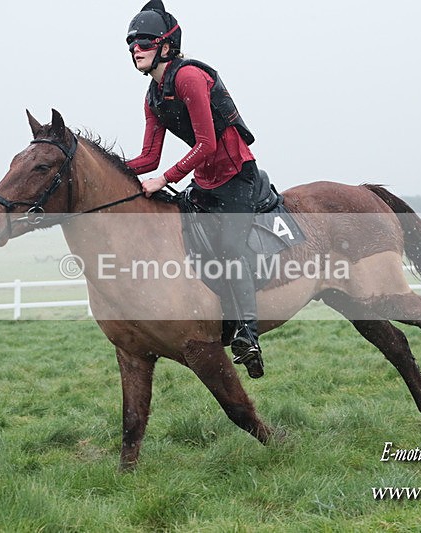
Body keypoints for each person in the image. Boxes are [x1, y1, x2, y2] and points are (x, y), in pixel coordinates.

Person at [124, 0, 265, 378]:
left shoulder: (188, 78)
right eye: (132, 43)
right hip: (204, 180)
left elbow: (207, 146)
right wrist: (110, 170)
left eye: (145, 42)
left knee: (232, 248)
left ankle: (249, 334)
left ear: (166, 46)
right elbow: (148, 158)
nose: (136, 48)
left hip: (237, 175)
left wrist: (166, 179)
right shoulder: (153, 96)